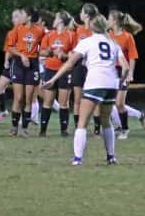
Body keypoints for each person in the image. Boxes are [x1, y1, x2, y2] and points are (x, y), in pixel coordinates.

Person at [42, 14, 129, 165]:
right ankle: (111, 156)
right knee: (106, 121)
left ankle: (77, 159)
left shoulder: (87, 42)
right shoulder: (113, 43)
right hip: (111, 84)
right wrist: (120, 81)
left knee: (82, 122)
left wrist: (53, 79)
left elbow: (70, 64)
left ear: (92, 26)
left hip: (95, 82)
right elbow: (126, 67)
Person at [6, 7, 45, 137]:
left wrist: (45, 53)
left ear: (29, 17)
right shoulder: (17, 29)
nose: (20, 16)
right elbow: (10, 47)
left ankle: (25, 128)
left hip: (32, 65)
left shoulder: (39, 31)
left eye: (22, 14)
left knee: (28, 99)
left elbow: (44, 48)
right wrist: (22, 55)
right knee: (18, 97)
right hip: (19, 64)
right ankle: (14, 127)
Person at [38, 11, 76, 137]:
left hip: (65, 71)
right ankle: (43, 131)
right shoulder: (49, 35)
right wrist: (49, 52)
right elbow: (41, 52)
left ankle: (64, 130)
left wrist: (64, 55)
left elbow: (75, 54)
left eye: (56, 18)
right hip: (50, 69)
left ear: (60, 21)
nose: (53, 20)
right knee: (47, 101)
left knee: (63, 102)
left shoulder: (71, 35)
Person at [108, 10, 144, 139]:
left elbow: (132, 57)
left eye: (109, 19)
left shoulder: (127, 36)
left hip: (123, 71)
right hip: (110, 72)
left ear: (115, 21)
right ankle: (118, 126)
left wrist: (130, 74)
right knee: (109, 103)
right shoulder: (108, 35)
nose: (107, 21)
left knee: (119, 104)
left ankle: (125, 129)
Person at [71, 3, 98, 130]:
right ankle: (78, 128)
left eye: (82, 12)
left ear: (86, 15)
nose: (80, 14)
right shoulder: (79, 29)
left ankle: (97, 129)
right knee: (77, 99)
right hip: (79, 67)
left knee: (94, 99)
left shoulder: (95, 30)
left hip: (92, 67)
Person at [0, 9, 21, 123]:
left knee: (19, 94)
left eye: (16, 16)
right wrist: (6, 61)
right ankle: (4, 110)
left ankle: (22, 117)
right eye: (13, 17)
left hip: (21, 65)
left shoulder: (24, 32)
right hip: (12, 64)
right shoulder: (11, 33)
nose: (14, 19)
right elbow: (8, 49)